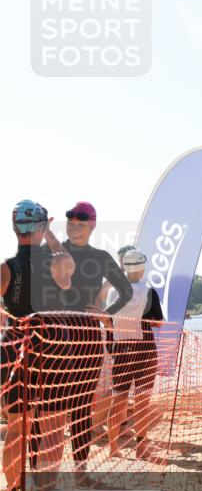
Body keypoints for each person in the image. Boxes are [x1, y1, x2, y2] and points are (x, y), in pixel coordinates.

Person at [1, 200, 74, 491]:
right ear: (42, 228)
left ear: (15, 227)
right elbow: (68, 266)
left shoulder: (6, 268)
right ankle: (47, 490)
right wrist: (50, 233)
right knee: (54, 425)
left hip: (14, 347)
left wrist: (11, 318)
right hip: (51, 349)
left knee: (18, 425)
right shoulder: (55, 263)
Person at [53, 201, 132, 472]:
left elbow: (126, 291)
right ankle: (43, 477)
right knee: (48, 410)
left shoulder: (100, 258)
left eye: (81, 224)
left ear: (92, 225)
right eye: (71, 223)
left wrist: (106, 313)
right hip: (53, 338)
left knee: (81, 409)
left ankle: (80, 469)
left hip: (86, 340)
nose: (75, 228)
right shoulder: (51, 252)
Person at [105, 250, 164, 461]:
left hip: (121, 349)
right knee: (142, 402)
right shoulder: (148, 292)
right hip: (144, 350)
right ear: (140, 268)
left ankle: (113, 447)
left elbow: (107, 320)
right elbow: (158, 322)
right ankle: (141, 447)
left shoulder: (113, 292)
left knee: (118, 398)